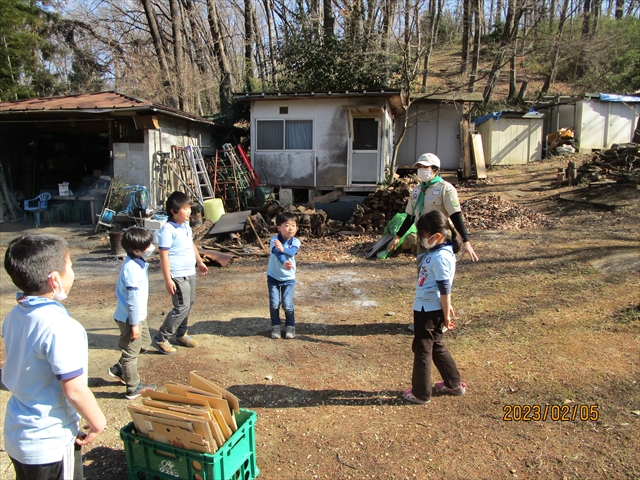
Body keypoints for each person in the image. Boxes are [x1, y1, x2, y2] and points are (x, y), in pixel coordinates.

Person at [2, 233, 107, 480]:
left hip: (18, 434)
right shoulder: (62, 327)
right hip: (50, 441)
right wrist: (97, 422)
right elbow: (74, 390)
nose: (73, 273)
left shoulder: (14, 316)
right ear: (55, 280)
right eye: (70, 266)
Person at [403, 211, 467, 405]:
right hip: (430, 306)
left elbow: (445, 288)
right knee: (436, 345)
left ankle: (421, 393)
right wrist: (445, 307)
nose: (421, 239)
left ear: (436, 235)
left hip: (427, 310)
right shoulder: (439, 253)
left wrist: (446, 314)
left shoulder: (441, 257)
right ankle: (453, 383)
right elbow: (443, 288)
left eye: (423, 235)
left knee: (423, 349)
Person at [387, 153, 479, 262]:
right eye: (419, 167)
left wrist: (466, 241)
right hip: (422, 237)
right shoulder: (417, 190)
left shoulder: (445, 189)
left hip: (440, 237)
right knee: (423, 272)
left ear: (435, 169)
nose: (421, 170)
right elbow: (410, 217)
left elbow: (455, 215)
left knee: (440, 270)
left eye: (425, 167)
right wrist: (398, 237)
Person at [152, 191, 209, 354]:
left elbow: (191, 245)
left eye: (189, 208)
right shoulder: (167, 230)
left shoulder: (184, 226)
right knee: (181, 307)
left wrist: (199, 262)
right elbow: (163, 256)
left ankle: (181, 334)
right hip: (177, 275)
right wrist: (168, 279)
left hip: (190, 272)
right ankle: (160, 338)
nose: (189, 211)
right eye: (185, 208)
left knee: (188, 305)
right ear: (173, 211)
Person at [109, 227, 157, 399]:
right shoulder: (131, 269)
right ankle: (133, 387)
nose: (152, 247)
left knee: (144, 344)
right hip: (130, 318)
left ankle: (120, 369)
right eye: (148, 245)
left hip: (138, 316)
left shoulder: (138, 260)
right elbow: (132, 299)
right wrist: (134, 324)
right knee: (131, 353)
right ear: (136, 250)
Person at [267, 211, 301, 339]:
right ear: (279, 228)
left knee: (287, 304)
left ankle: (290, 326)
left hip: (288, 279)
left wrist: (284, 249)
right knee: (275, 303)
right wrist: (284, 263)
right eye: (287, 225)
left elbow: (292, 252)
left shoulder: (296, 241)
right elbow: (277, 252)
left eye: (293, 225)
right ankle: (275, 326)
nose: (290, 228)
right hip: (273, 277)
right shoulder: (274, 240)